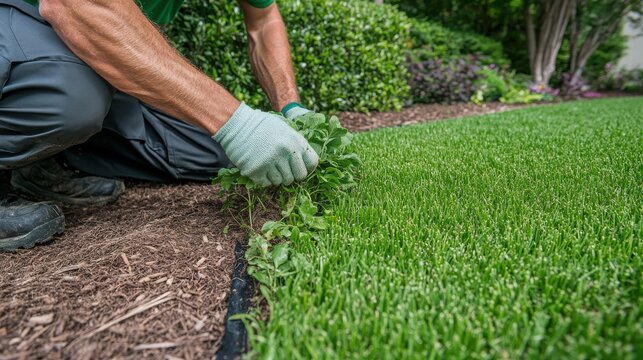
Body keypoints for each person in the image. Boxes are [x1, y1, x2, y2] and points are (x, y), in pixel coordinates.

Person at [0, 0, 319, 250]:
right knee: (71, 101)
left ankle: (41, 160)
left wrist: (290, 107)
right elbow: (75, 5)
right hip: (22, 17)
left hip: (98, 59)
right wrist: (236, 123)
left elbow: (264, 22)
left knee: (219, 155)